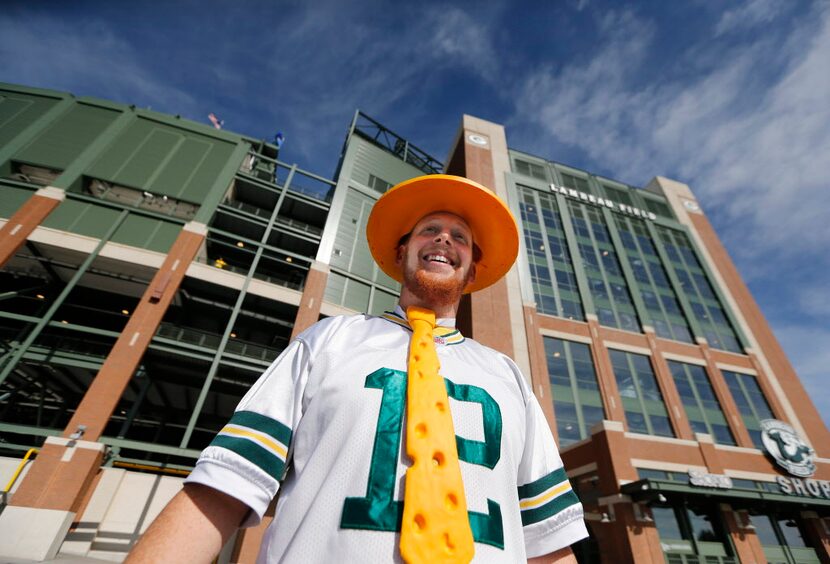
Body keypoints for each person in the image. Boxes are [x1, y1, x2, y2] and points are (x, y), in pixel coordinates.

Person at [128, 175, 588, 563]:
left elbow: (547, 538)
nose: (445, 239)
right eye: (430, 229)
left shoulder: (508, 376)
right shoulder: (327, 341)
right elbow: (227, 484)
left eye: (460, 237)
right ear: (401, 252)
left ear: (471, 271)